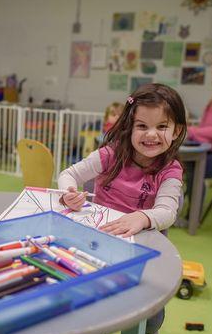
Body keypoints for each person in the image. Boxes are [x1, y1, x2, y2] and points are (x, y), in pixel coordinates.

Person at [58, 83, 186, 237]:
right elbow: (68, 175)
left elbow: (167, 212)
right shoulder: (110, 154)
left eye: (161, 126)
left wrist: (142, 217)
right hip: (100, 233)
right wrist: (68, 194)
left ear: (176, 131)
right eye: (142, 126)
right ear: (129, 127)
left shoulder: (170, 170)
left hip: (140, 240)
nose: (151, 134)